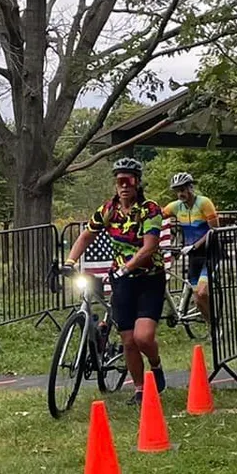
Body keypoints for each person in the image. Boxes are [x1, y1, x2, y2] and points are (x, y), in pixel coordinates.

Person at [65, 157, 167, 404]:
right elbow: (86, 236)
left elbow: (150, 246)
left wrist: (129, 266)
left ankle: (156, 365)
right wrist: (69, 261)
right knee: (129, 340)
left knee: (143, 337)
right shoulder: (107, 210)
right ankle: (141, 390)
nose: (124, 186)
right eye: (120, 181)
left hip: (148, 277)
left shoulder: (149, 209)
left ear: (137, 183)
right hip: (122, 281)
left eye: (129, 180)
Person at [163, 170, 220, 325]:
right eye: (177, 191)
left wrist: (195, 245)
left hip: (209, 251)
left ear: (191, 188)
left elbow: (214, 230)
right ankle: (212, 325)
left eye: (182, 189)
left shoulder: (204, 203)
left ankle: (214, 321)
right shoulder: (176, 207)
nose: (180, 193)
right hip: (193, 255)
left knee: (202, 293)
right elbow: (157, 216)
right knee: (197, 298)